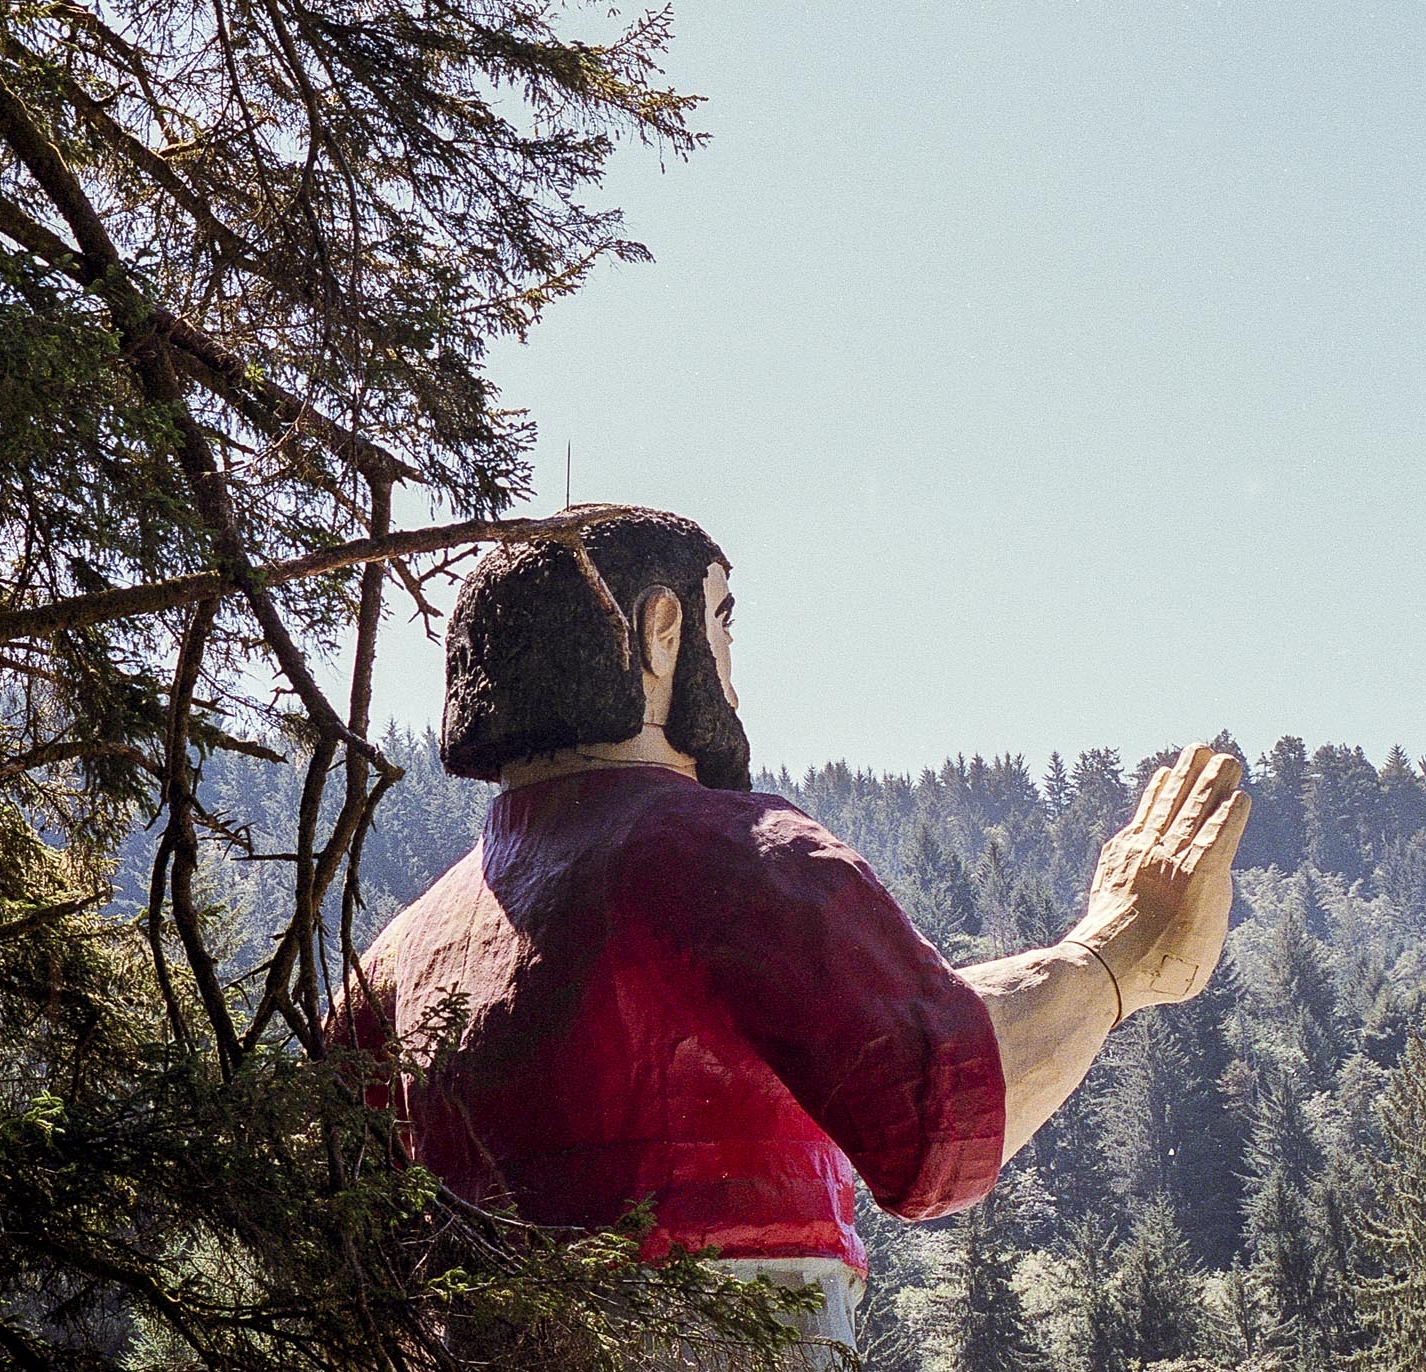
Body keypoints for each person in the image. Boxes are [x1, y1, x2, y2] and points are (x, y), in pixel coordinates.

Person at [340, 506, 1249, 1366]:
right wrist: (1119, 951)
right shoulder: (726, 851)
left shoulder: (399, 953)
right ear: (662, 633)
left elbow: (332, 1221)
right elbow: (931, 1116)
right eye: (723, 625)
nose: (733, 672)